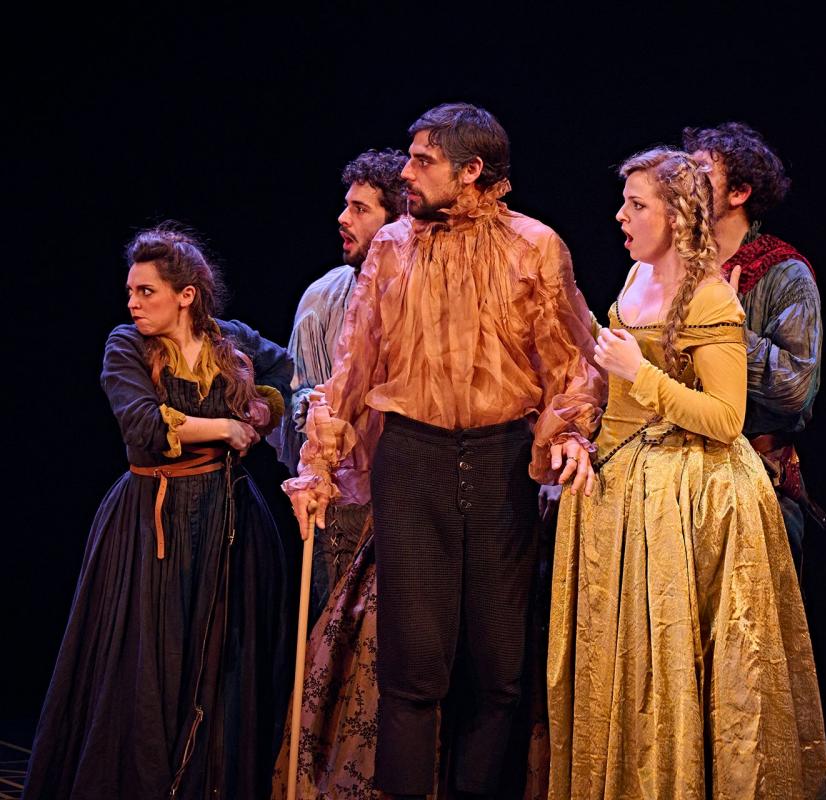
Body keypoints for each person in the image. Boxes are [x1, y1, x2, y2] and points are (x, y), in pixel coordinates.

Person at [282, 103, 603, 800]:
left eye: (423, 160)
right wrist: (317, 465)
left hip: (500, 462)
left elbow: (570, 362)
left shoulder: (534, 246)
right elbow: (354, 366)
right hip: (413, 460)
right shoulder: (393, 248)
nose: (406, 171)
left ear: (471, 171)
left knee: (498, 666)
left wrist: (568, 432)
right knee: (413, 664)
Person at [547, 148, 826, 800]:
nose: (621, 216)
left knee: (686, 665)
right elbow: (618, 400)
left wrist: (640, 373)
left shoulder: (710, 296)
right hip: (626, 494)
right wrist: (585, 442)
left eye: (636, 204)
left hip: (693, 498)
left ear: (676, 216)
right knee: (627, 666)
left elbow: (727, 418)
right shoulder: (635, 277)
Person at [24, 227, 292, 799]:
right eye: (130, 291)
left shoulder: (229, 339)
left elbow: (282, 371)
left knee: (221, 656)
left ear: (186, 295)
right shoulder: (126, 346)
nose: (133, 303)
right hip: (151, 520)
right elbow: (144, 423)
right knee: (147, 655)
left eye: (146, 291)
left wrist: (263, 411)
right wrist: (226, 428)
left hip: (228, 518)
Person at [274, 148, 408, 621]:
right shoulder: (322, 298)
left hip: (408, 496)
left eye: (360, 208)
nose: (342, 218)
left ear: (397, 222)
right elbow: (298, 388)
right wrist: (308, 407)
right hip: (343, 500)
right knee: (335, 632)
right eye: (346, 205)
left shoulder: (422, 295)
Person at [684, 122, 824, 574]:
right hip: (676, 476)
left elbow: (794, 388)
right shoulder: (671, 266)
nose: (685, 180)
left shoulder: (784, 273)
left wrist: (726, 328)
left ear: (739, 192)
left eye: (701, 171)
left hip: (755, 479)